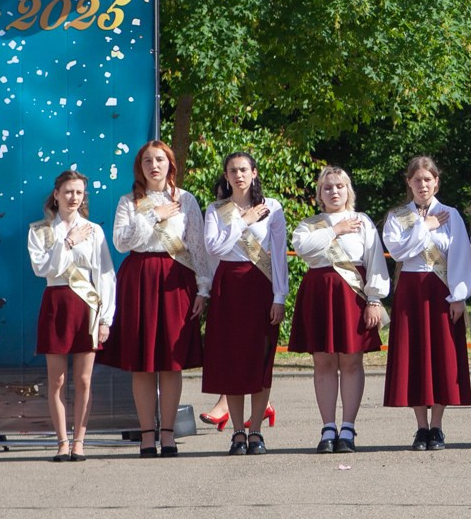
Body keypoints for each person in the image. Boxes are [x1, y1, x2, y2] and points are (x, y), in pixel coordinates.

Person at [110, 142, 207, 457]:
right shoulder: (129, 202)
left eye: (160, 159)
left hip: (175, 279)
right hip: (139, 279)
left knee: (170, 361)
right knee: (142, 363)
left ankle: (168, 433)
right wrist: (154, 215)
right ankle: (146, 435)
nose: (154, 166)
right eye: (147, 161)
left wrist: (203, 288)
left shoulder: (186, 200)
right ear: (140, 166)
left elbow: (197, 246)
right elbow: (122, 242)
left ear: (170, 164)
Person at [288, 166, 387, 453]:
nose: (334, 191)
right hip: (319, 294)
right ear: (320, 193)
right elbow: (304, 249)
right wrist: (335, 230)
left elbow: (375, 261)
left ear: (348, 190)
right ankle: (328, 427)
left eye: (339, 186)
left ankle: (348, 427)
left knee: (352, 362)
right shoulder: (309, 224)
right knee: (323, 362)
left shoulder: (362, 221)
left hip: (352, 296)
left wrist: (374, 299)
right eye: (328, 187)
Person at [383, 155, 471, 449]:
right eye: (417, 180)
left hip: (441, 292)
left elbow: (460, 255)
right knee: (414, 356)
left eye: (427, 179)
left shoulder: (450, 215)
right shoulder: (397, 217)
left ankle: (437, 426)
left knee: (440, 357)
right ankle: (421, 427)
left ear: (436, 181)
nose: (422, 185)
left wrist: (459, 296)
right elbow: (399, 252)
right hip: (410, 291)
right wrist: (425, 226)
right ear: (408, 183)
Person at [201, 152, 287, 454]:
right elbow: (214, 247)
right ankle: (238, 432)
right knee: (232, 361)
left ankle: (257, 431)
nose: (238, 175)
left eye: (243, 170)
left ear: (254, 172)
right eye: (232, 171)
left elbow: (279, 255)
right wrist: (243, 220)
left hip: (260, 286)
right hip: (228, 287)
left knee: (260, 360)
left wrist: (280, 296)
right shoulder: (216, 210)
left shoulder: (272, 207)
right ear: (226, 176)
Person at [30, 169, 113, 461]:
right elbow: (43, 269)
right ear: (56, 194)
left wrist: (105, 319)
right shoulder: (40, 230)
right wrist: (67, 242)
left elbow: (105, 275)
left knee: (84, 379)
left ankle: (79, 441)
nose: (73, 197)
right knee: (57, 381)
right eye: (68, 192)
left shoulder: (94, 230)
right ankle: (62, 441)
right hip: (56, 303)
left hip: (86, 306)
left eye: (79, 192)